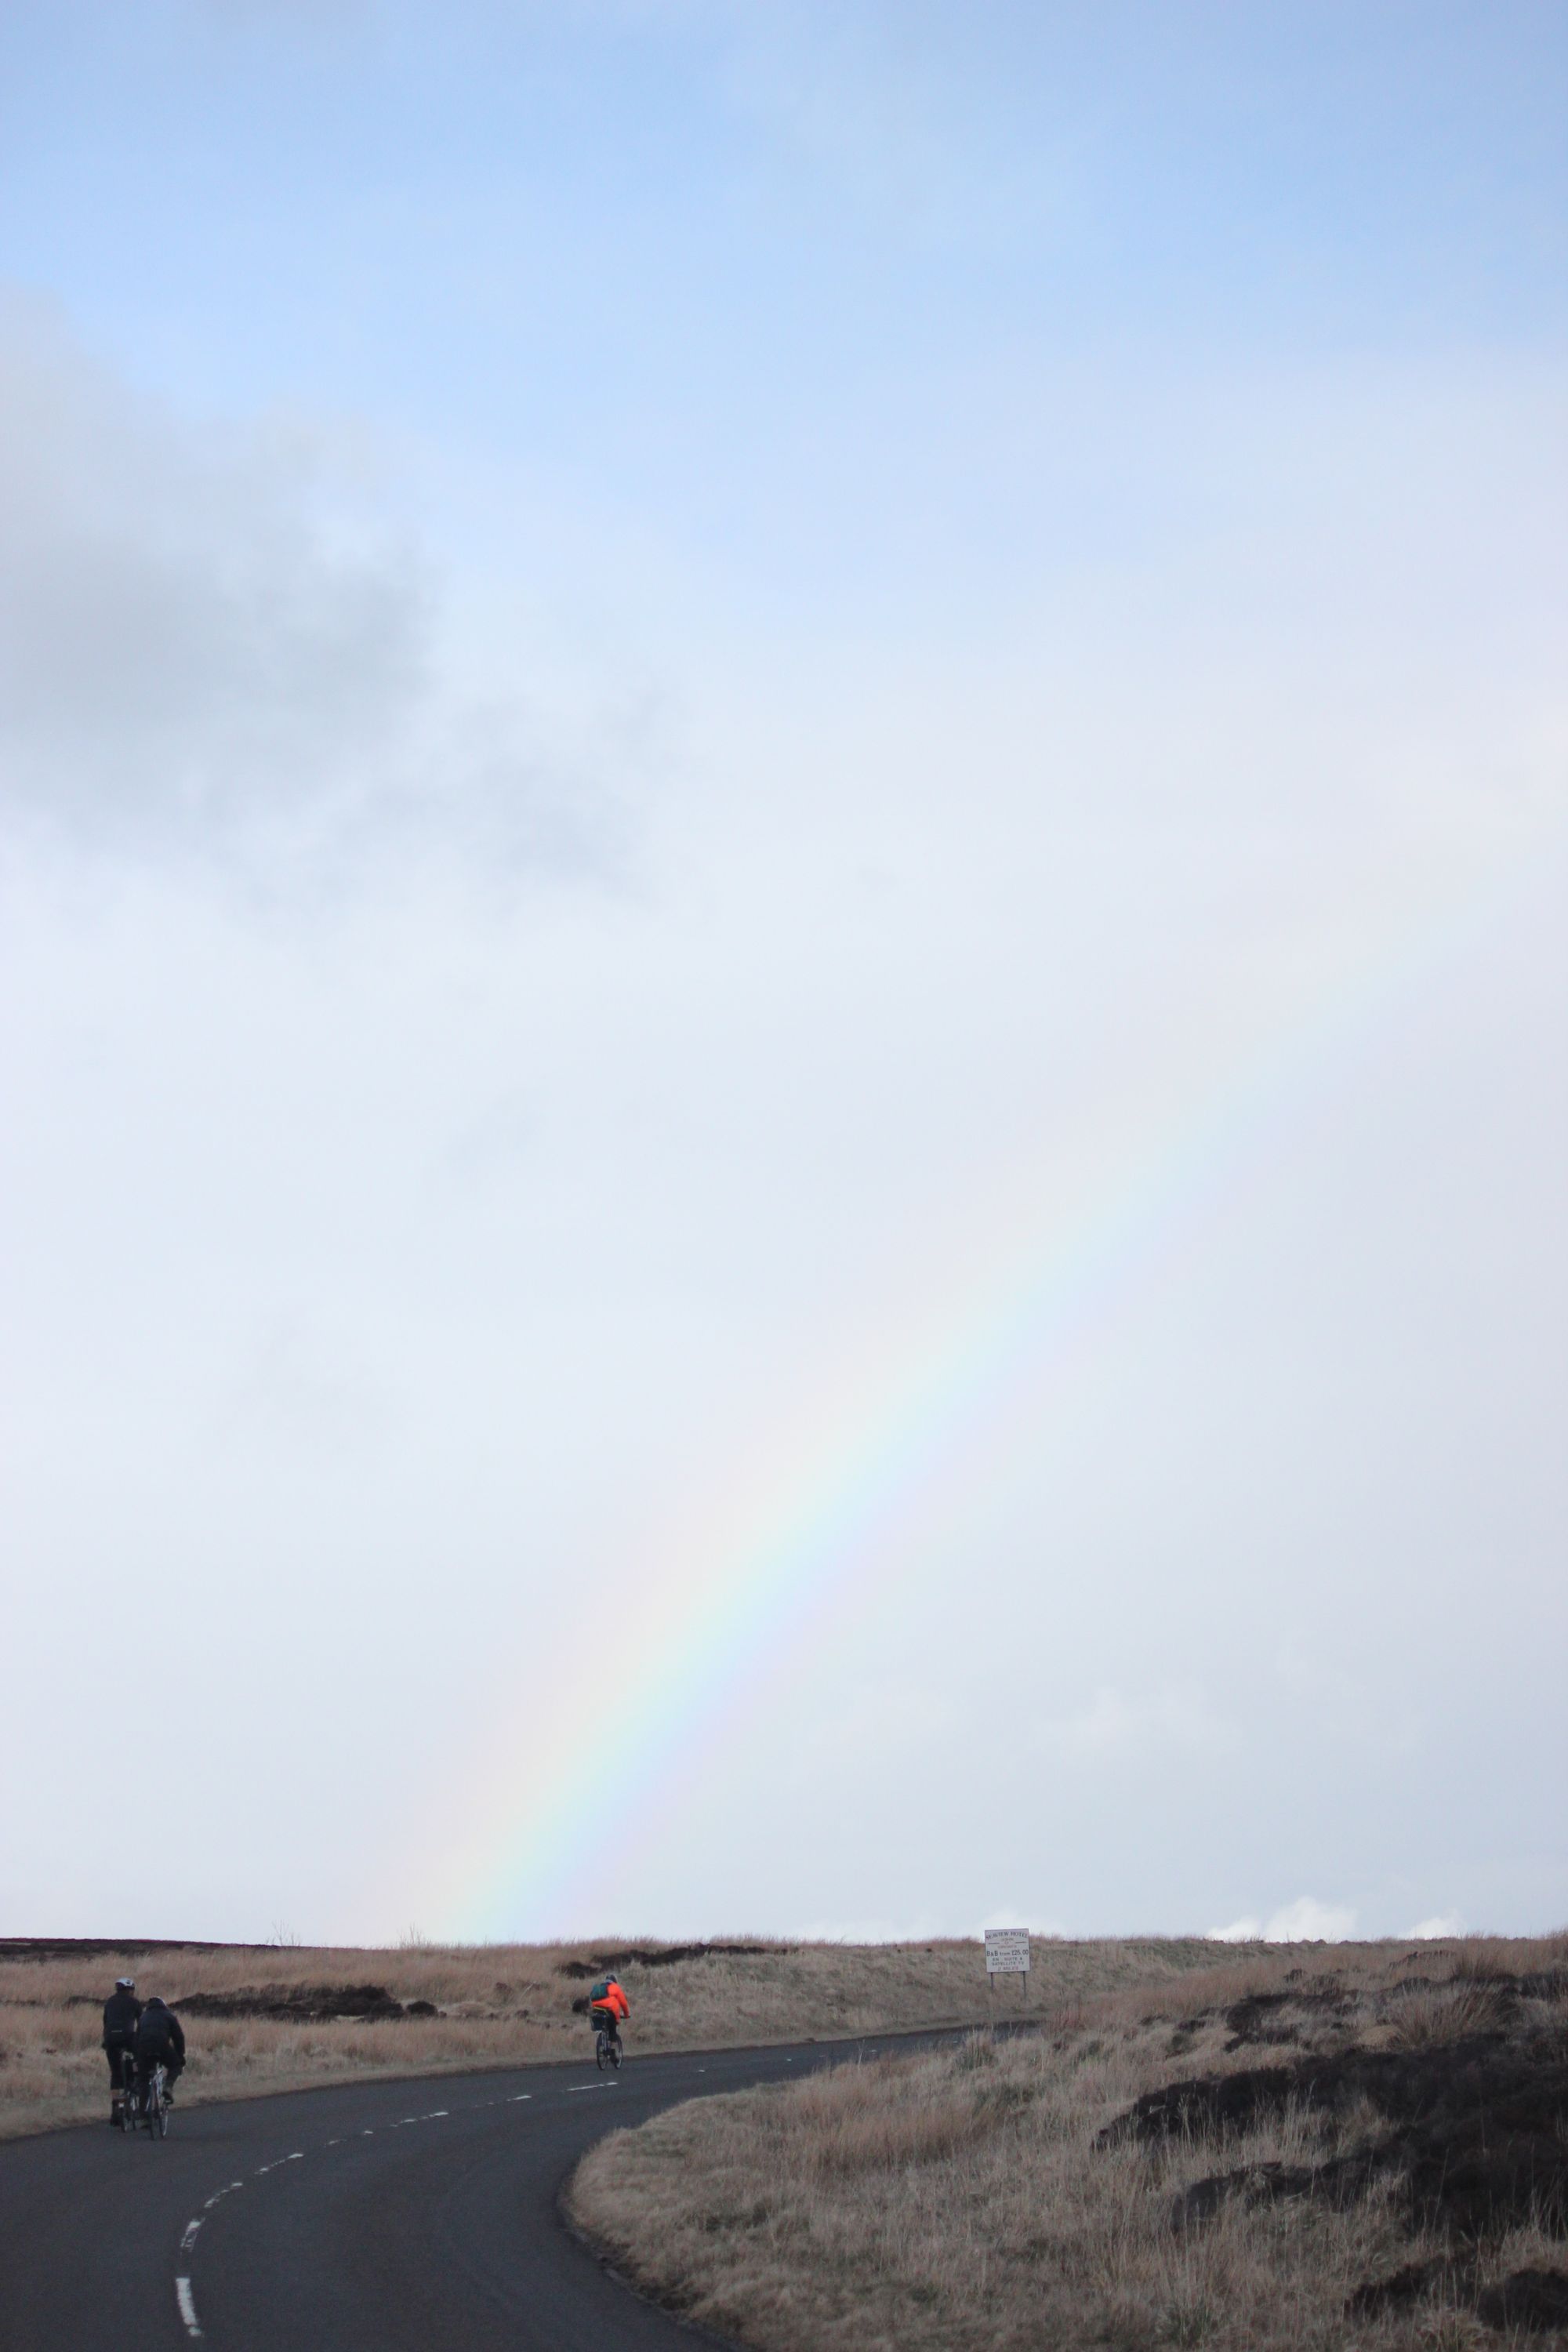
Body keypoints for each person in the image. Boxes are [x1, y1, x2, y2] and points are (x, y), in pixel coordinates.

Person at [102, 1977, 143, 2129]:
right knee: (138, 2058)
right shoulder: (134, 2002)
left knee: (115, 2073)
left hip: (111, 2039)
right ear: (131, 1990)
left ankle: (115, 2110)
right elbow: (142, 2023)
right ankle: (136, 2081)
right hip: (127, 2037)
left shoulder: (110, 2002)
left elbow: (106, 2022)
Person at [132, 1994, 187, 2104]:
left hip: (144, 2048)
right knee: (175, 2065)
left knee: (144, 2080)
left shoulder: (143, 2017)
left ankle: (143, 2116)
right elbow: (179, 2038)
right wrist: (180, 2056)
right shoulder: (169, 2016)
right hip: (161, 2045)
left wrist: (137, 2059)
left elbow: (137, 2039)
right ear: (163, 2006)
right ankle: (168, 2087)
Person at [587, 1973, 630, 2054]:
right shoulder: (616, 1987)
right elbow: (623, 2003)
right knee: (613, 2030)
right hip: (610, 2011)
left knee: (602, 2026)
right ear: (614, 1981)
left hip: (597, 2010)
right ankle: (613, 2052)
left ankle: (602, 2041)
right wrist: (626, 2014)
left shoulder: (601, 1988)